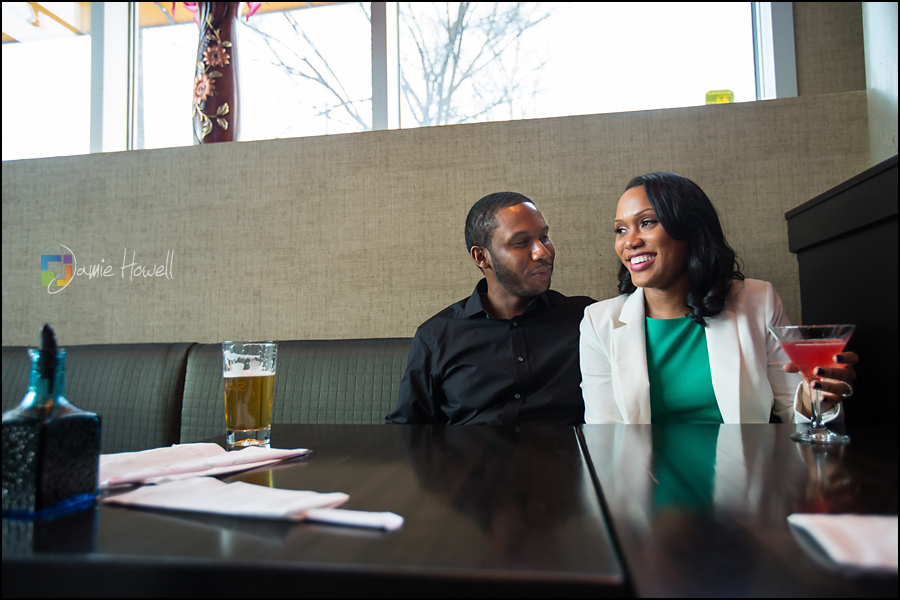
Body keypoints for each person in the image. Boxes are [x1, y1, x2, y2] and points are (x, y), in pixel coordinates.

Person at [580, 172, 858, 424]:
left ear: (691, 229)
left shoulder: (758, 301)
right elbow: (605, 436)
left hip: (742, 477)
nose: (629, 241)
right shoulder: (598, 322)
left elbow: (792, 411)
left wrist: (815, 399)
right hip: (642, 478)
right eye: (621, 229)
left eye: (647, 222)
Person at [386, 192, 595, 425]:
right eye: (521, 242)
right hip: (469, 460)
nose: (542, 252)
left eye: (544, 237)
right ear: (482, 257)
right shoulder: (436, 336)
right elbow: (407, 431)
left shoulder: (587, 319)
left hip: (566, 458)